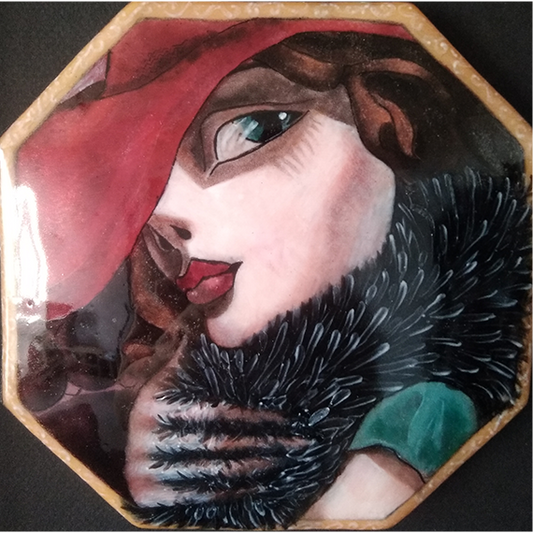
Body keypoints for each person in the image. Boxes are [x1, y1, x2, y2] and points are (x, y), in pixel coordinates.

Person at [13, 18, 530, 529]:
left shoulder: (431, 413)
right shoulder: (170, 410)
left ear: (393, 119)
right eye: (139, 189)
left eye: (250, 130)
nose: (164, 217)